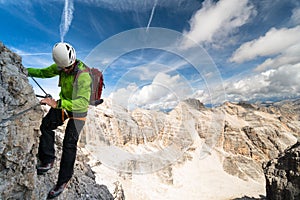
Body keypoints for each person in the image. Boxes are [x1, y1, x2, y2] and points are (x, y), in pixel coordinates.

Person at [27, 42, 92, 199]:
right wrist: (24, 70)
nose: (64, 71)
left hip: (78, 111)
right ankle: (48, 160)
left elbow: (83, 103)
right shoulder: (61, 65)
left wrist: (57, 104)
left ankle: (63, 181)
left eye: (66, 69)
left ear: (72, 63)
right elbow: (44, 72)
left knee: (69, 146)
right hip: (63, 105)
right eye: (62, 69)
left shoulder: (83, 76)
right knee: (46, 126)